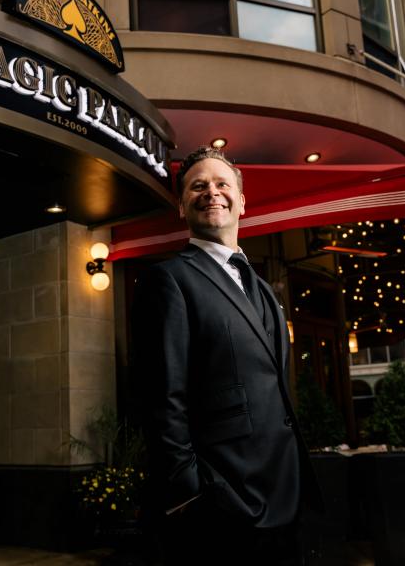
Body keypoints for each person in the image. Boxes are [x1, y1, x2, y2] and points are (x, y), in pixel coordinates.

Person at [133, 146, 320, 565]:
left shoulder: (266, 291)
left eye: (221, 184)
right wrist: (191, 491)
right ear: (181, 207)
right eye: (197, 186)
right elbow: (161, 398)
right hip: (224, 504)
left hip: (287, 495)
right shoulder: (168, 280)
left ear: (242, 200)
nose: (211, 192)